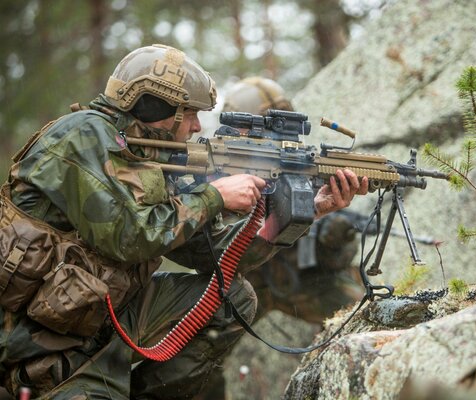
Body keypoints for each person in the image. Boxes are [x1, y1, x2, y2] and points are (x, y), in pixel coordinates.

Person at [0, 44, 367, 399]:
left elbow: (219, 259)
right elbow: (130, 236)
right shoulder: (82, 135)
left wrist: (306, 213)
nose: (195, 127)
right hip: (41, 344)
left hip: (100, 320)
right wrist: (216, 196)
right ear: (154, 105)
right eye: (189, 113)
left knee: (233, 297)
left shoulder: (155, 158)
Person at [195, 77, 367, 399]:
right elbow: (199, 245)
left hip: (297, 279)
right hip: (239, 282)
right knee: (199, 357)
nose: (273, 136)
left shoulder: (299, 164)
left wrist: (333, 236)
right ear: (239, 127)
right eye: (262, 127)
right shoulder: (212, 165)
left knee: (362, 317)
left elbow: (333, 265)